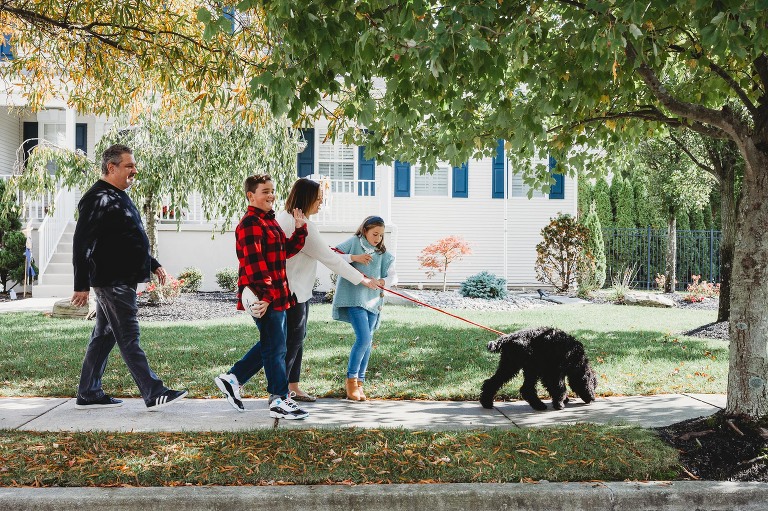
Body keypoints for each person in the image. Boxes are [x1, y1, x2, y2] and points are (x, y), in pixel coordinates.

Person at [71, 144, 187, 411]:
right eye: (129, 166)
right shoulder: (97, 197)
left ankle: (88, 393)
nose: (135, 170)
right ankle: (154, 392)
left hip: (120, 278)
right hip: (113, 280)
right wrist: (81, 285)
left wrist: (152, 263)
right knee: (128, 334)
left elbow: (128, 236)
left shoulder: (118, 195)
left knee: (105, 334)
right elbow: (82, 243)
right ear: (111, 168)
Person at [214, 174, 311, 419]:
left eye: (272, 191)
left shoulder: (269, 221)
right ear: (251, 195)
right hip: (263, 296)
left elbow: (284, 252)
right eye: (265, 191)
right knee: (276, 346)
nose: (271, 195)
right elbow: (254, 264)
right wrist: (267, 296)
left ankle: (233, 377)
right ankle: (279, 399)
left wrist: (300, 230)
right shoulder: (250, 224)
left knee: (273, 343)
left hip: (276, 294)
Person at [276, 179, 379, 402]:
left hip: (293, 290)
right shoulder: (301, 226)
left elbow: (328, 252)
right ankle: (281, 391)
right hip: (293, 292)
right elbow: (330, 259)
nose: (321, 203)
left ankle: (291, 387)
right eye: (318, 199)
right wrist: (362, 279)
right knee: (292, 340)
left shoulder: (284, 218)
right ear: (306, 198)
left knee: (296, 338)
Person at [332, 215, 397, 401]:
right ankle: (351, 381)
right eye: (374, 234)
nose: (378, 239)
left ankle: (360, 383)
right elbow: (333, 256)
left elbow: (394, 276)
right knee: (364, 338)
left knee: (368, 342)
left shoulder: (382, 253)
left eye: (381, 235)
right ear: (364, 230)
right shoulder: (354, 242)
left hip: (373, 302)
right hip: (354, 300)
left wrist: (383, 281)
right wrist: (354, 257)